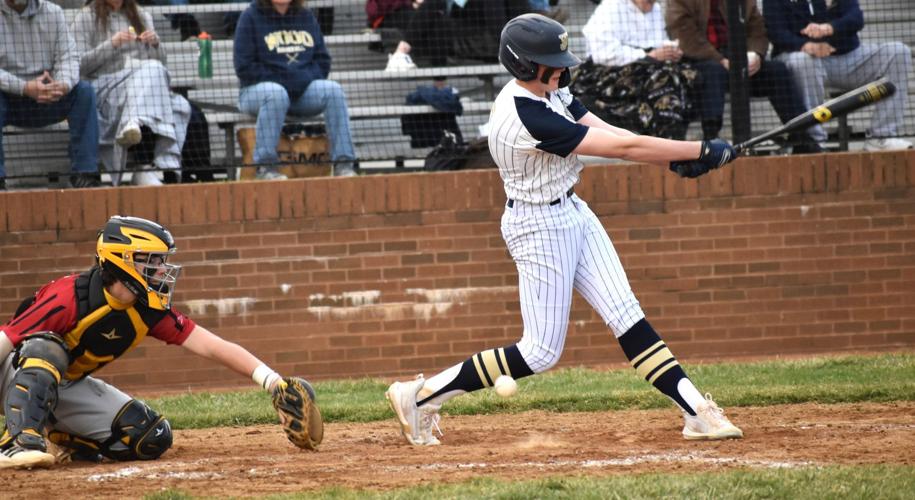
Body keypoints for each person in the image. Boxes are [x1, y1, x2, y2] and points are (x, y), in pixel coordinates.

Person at [386, 14, 743, 447]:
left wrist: (670, 159)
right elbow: (619, 148)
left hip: (573, 211)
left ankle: (696, 411)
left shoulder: (551, 90)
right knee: (539, 353)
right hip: (537, 226)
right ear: (521, 64)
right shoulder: (524, 117)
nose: (559, 68)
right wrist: (699, 148)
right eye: (548, 61)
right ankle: (419, 396)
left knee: (626, 315)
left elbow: (605, 129)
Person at [0, 215, 315, 469]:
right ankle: (17, 443)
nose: (162, 269)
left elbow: (212, 345)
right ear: (122, 260)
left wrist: (273, 382)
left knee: (150, 437)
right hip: (11, 372)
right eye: (151, 261)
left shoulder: (147, 310)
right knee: (47, 349)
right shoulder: (70, 296)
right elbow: (8, 339)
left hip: (63, 384)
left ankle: (63, 436)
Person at [666, 0, 822, 153]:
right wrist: (720, 59)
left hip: (738, 58)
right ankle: (711, 141)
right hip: (700, 60)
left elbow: (757, 28)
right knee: (714, 72)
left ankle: (802, 136)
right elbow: (685, 35)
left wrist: (755, 55)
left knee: (777, 71)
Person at [763, 0, 913, 152]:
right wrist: (805, 46)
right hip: (804, 59)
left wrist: (829, 28)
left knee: (898, 51)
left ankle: (882, 136)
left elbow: (856, 18)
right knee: (802, 60)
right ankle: (813, 141)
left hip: (849, 57)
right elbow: (776, 32)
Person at [72, 0, 192, 187]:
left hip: (142, 84)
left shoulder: (141, 15)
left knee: (180, 105)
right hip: (104, 86)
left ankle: (161, 168)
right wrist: (111, 45)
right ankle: (136, 123)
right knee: (152, 70)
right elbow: (79, 64)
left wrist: (155, 45)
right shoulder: (85, 17)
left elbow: (162, 64)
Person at [235, 0, 357, 179]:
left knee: (334, 91)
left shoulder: (306, 16)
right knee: (276, 93)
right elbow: (244, 68)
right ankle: (265, 168)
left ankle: (343, 165)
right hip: (255, 92)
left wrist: (300, 79)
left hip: (300, 92)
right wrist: (285, 79)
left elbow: (322, 61)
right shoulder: (250, 17)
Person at [0, 0, 102, 190]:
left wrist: (61, 85)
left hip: (50, 95)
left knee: (84, 92)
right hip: (8, 98)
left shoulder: (54, 12)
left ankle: (85, 174)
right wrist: (25, 87)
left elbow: (69, 56)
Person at [578, 0, 696, 139]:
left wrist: (670, 52)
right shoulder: (612, 7)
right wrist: (648, 55)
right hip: (605, 74)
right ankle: (669, 143)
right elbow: (602, 55)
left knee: (686, 74)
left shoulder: (656, 9)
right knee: (666, 79)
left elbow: (659, 43)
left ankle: (667, 143)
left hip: (650, 70)